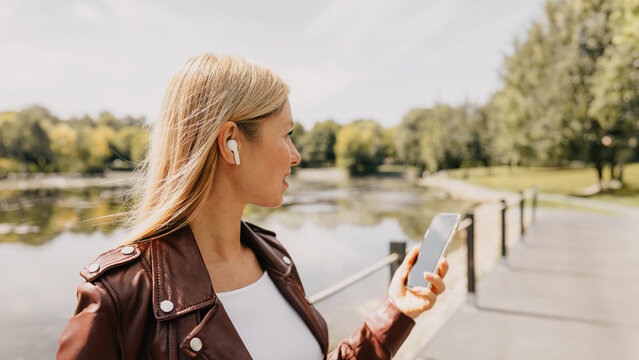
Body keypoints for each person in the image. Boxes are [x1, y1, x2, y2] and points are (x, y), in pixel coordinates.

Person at [57, 54, 449, 360]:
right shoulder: (119, 295)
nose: (295, 155)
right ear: (231, 141)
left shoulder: (274, 258)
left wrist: (396, 312)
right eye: (287, 133)